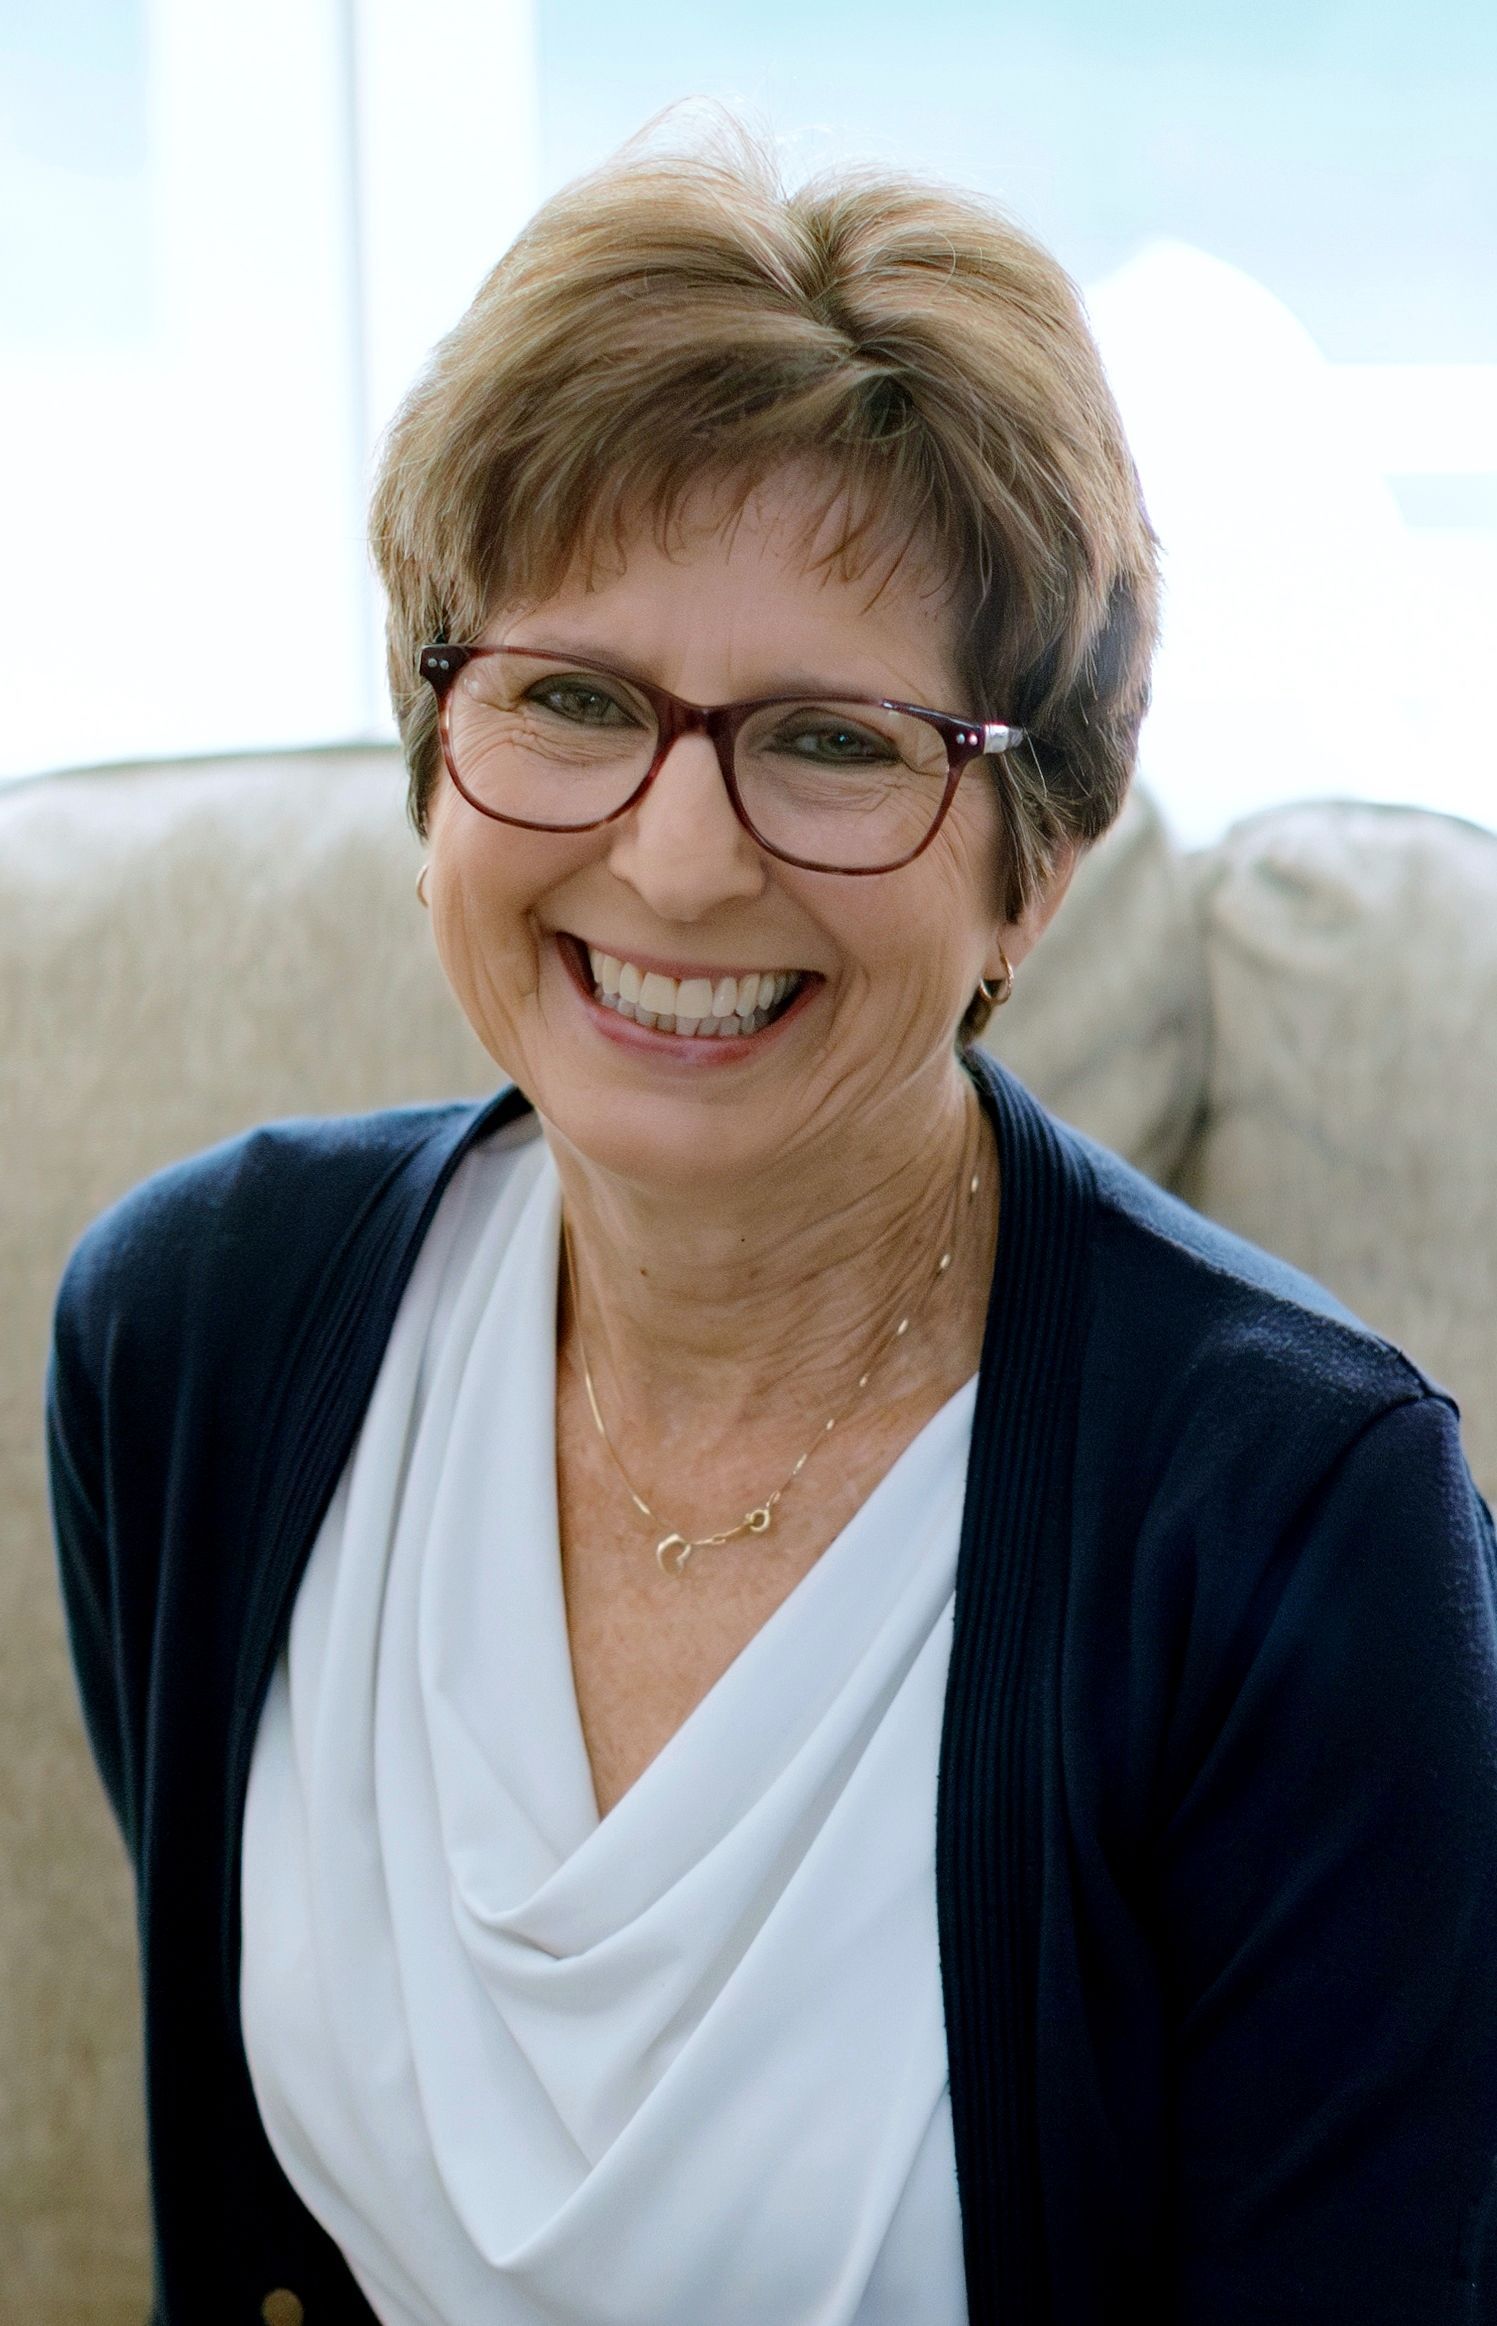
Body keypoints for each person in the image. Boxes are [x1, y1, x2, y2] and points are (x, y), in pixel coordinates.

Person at [46, 121, 1497, 2326]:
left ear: (1033, 855)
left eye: (827, 739)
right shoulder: (191, 1337)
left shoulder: (1300, 1526)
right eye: (569, 697)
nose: (679, 858)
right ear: (437, 753)